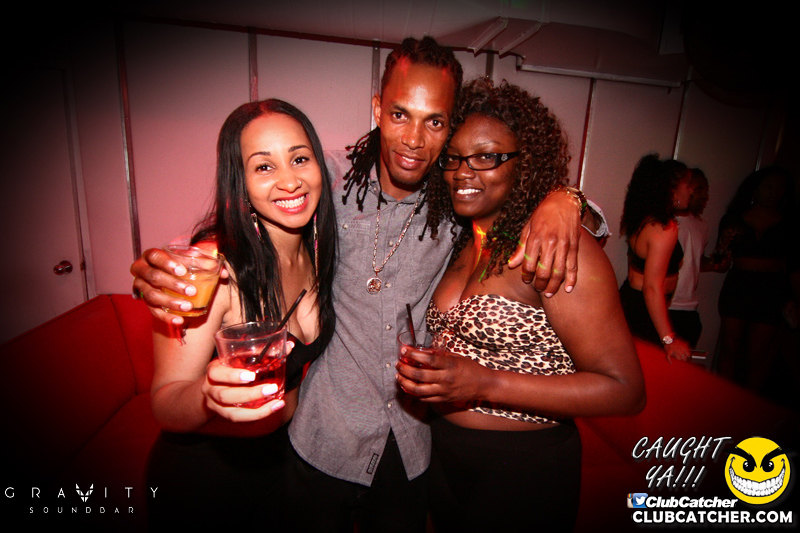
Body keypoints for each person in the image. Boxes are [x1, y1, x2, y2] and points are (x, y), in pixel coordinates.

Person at [132, 37, 608, 531]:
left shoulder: (456, 201)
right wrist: (166, 265)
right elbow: (253, 210)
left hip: (410, 444)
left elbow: (524, 195)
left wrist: (568, 199)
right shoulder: (328, 183)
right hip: (324, 437)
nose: (413, 139)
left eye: (435, 122)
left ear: (450, 128)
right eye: (400, 115)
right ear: (378, 109)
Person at [394, 77, 644, 532]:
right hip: (444, 454)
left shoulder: (553, 247)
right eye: (454, 157)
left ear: (524, 164)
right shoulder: (463, 240)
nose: (463, 172)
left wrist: (486, 382)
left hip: (524, 470)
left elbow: (625, 390)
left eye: (486, 157)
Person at [145, 98, 337, 530]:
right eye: (264, 166)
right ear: (241, 182)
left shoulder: (318, 251)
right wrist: (208, 395)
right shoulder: (213, 268)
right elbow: (165, 403)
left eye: (300, 159)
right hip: (204, 483)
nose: (290, 181)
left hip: (282, 470)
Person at [715, 166, 797, 391]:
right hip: (739, 285)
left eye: (779, 188)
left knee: (758, 355)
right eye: (768, 186)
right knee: (729, 347)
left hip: (771, 289)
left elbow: (794, 266)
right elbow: (720, 259)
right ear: (756, 188)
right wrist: (723, 243)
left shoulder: (789, 223)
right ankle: (721, 397)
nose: (774, 192)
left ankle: (751, 403)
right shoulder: (734, 218)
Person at [618, 154, 694, 362]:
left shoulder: (644, 218)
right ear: (671, 189)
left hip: (632, 302)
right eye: (687, 184)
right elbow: (651, 287)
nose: (691, 190)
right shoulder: (663, 228)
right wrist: (669, 339)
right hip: (643, 310)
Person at [667, 168, 726, 348]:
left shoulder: (701, 225)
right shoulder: (664, 223)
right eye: (698, 189)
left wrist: (716, 261)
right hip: (666, 305)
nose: (703, 196)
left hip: (688, 308)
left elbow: (694, 261)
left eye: (705, 191)